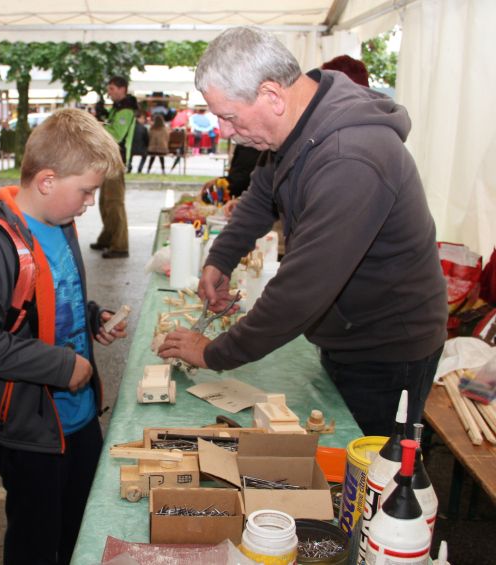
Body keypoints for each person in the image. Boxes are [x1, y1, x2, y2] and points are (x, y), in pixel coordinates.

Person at [157, 26, 448, 438]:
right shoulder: (302, 121)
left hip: (387, 349)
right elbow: (261, 195)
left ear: (272, 96)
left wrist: (213, 352)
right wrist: (222, 257)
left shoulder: (352, 157)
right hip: (348, 330)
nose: (223, 132)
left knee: (371, 471)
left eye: (228, 117)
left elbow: (302, 288)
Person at [0, 109, 127, 565]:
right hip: (28, 428)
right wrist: (62, 366)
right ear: (47, 181)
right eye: (86, 191)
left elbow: (51, 299)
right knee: (35, 539)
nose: (90, 202)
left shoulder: (61, 225)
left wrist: (90, 317)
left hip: (77, 416)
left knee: (81, 523)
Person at [90, 76, 138, 258]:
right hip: (109, 158)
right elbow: (111, 127)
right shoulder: (118, 109)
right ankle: (108, 237)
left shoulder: (126, 110)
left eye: (111, 89)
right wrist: (102, 116)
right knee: (105, 202)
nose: (109, 93)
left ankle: (120, 245)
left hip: (116, 159)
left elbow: (116, 135)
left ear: (122, 89)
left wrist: (97, 123)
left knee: (114, 203)